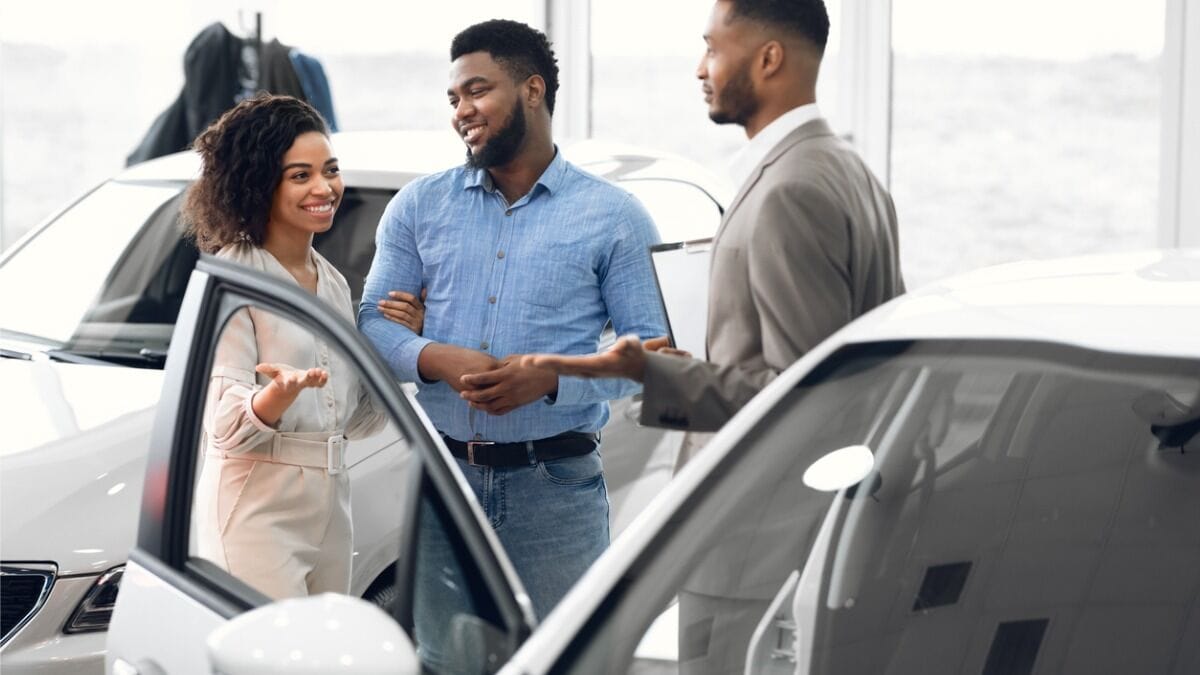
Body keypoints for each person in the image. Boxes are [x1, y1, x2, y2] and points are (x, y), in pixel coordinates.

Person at [528, 1, 904, 671]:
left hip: (757, 547)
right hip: (803, 537)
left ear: (769, 58)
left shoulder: (789, 189)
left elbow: (800, 397)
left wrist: (646, 371)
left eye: (712, 47)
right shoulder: (850, 173)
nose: (700, 68)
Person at [357, 19, 665, 631]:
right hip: (444, 484)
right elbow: (371, 324)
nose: (461, 111)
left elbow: (654, 356)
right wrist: (437, 357)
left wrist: (552, 379)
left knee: (560, 657)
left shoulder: (615, 217)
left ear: (532, 89)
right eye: (453, 98)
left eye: (476, 91)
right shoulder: (418, 206)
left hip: (555, 488)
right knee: (448, 662)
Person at [184, 95, 405, 600]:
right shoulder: (234, 278)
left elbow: (357, 422)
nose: (324, 188)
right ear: (260, 183)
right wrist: (275, 398)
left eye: (331, 170)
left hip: (332, 504)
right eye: (300, 176)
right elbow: (223, 426)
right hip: (256, 507)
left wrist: (394, 346)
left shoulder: (332, 283)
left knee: (321, 643)